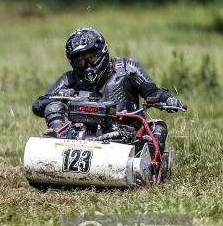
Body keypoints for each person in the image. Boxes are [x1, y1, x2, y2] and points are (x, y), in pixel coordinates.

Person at [32, 27, 187, 152]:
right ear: (72, 62)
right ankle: (56, 148)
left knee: (158, 127)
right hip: (79, 137)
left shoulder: (127, 68)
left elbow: (153, 93)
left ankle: (143, 166)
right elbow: (39, 105)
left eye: (91, 57)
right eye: (80, 60)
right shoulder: (70, 79)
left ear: (103, 52)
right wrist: (61, 96)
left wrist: (167, 99)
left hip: (126, 135)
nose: (88, 66)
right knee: (53, 106)